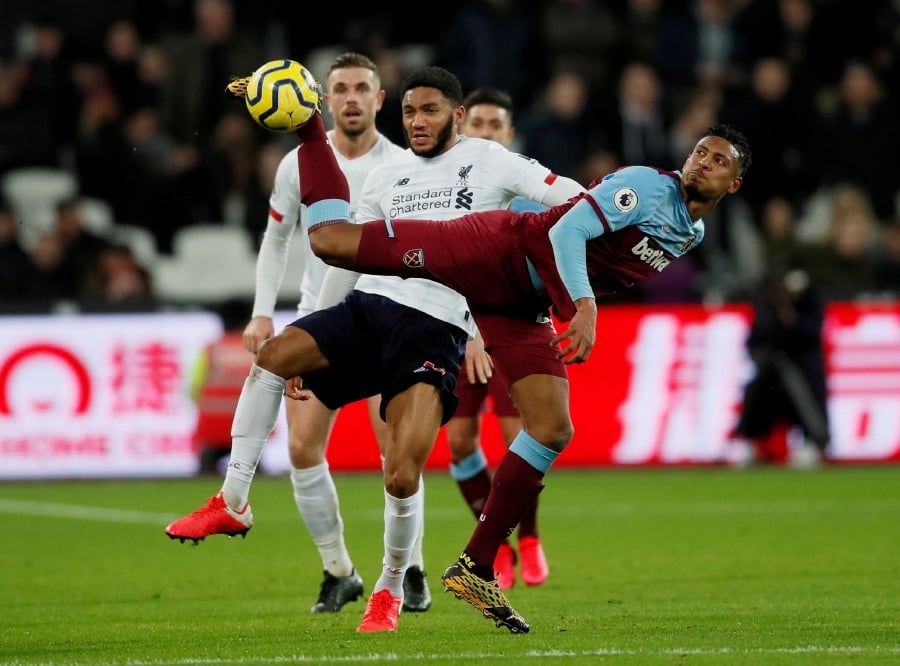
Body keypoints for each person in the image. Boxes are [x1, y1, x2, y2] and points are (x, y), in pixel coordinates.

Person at [165, 65, 585, 633]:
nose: (417, 121)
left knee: (401, 474)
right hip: (367, 310)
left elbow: (575, 201)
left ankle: (389, 586)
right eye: (410, 111)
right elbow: (347, 253)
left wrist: (541, 262)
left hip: (435, 331)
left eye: (430, 110)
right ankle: (233, 499)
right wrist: (311, 334)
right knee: (272, 358)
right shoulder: (387, 175)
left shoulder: (491, 160)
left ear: (458, 116)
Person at [299, 115, 751, 633]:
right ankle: (312, 132)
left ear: (733, 185)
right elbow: (566, 229)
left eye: (719, 162)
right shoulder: (649, 187)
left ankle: (474, 567)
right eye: (700, 152)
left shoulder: (690, 231)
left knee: (552, 427)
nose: (703, 163)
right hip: (493, 249)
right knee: (335, 241)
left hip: (520, 302)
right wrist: (583, 305)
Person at [241, 52, 430, 615]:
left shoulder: (402, 165)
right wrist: (260, 312)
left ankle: (410, 568)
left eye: (362, 88)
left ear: (379, 100)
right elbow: (277, 240)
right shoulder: (298, 163)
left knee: (396, 455)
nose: (350, 97)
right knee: (301, 447)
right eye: (340, 88)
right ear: (323, 99)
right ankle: (338, 570)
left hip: (383, 317)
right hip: (318, 318)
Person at [455, 87, 547, 590]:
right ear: (463, 127)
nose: (486, 133)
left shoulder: (529, 192)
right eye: (479, 124)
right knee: (459, 442)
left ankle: (528, 537)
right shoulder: (445, 188)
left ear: (509, 135)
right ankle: (500, 548)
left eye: (496, 126)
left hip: (508, 330)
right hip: (455, 334)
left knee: (518, 441)